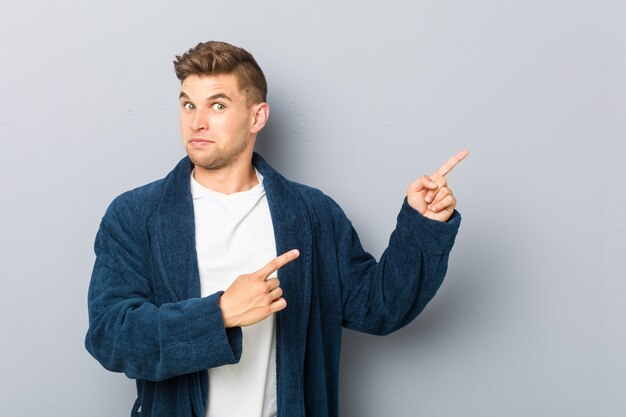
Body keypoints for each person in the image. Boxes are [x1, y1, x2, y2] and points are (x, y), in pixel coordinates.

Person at [85, 40, 467, 417]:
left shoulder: (313, 214)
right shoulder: (135, 215)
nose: (196, 122)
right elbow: (111, 335)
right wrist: (219, 314)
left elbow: (379, 307)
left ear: (257, 117)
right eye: (188, 104)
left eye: (217, 105)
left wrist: (424, 225)